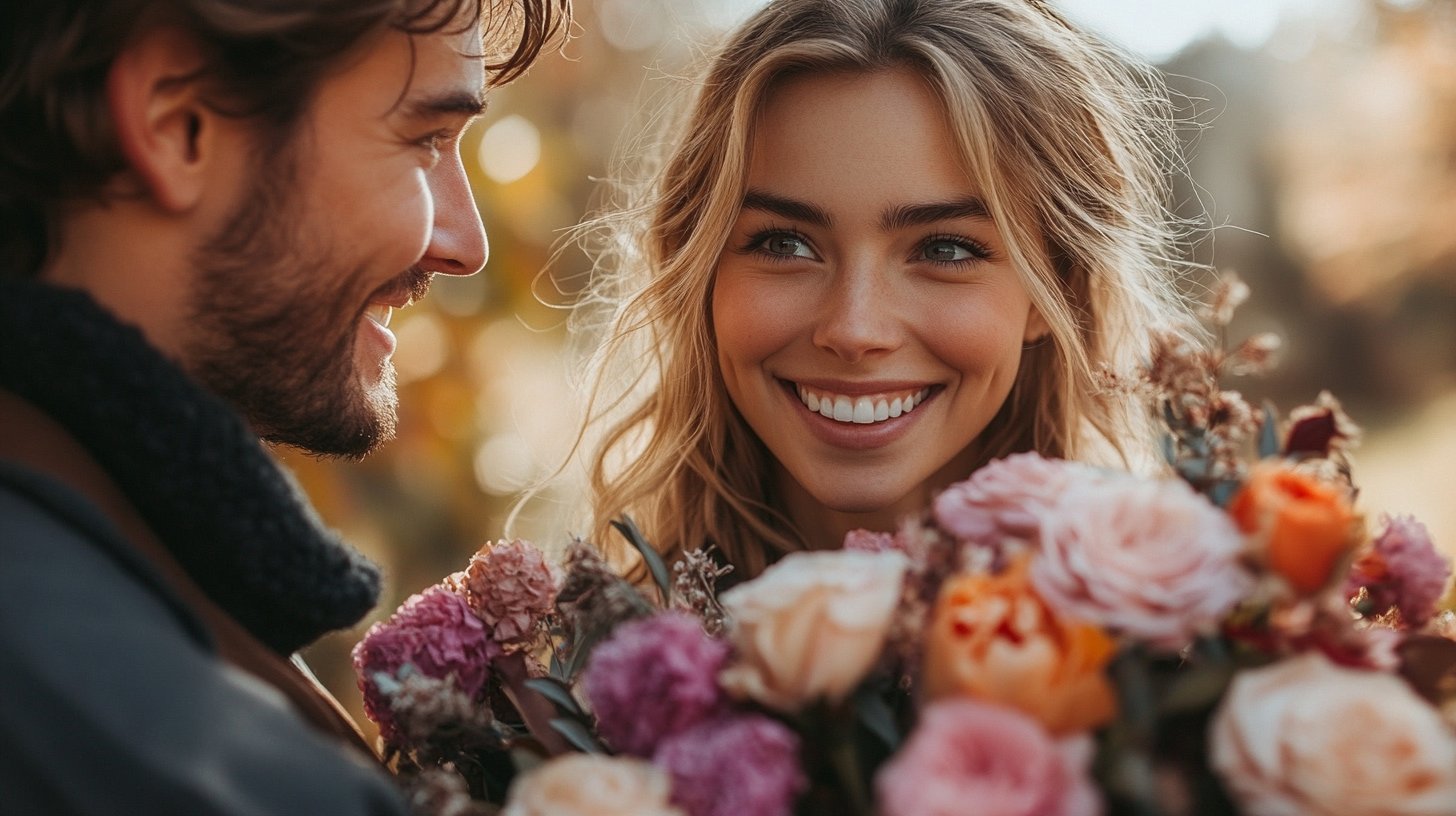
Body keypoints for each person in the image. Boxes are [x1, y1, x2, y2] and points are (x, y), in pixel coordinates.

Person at [0, 0, 568, 813]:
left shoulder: (131, 569)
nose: (468, 242)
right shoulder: (141, 733)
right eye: (424, 138)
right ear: (178, 121)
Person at [568, 0, 1204, 579]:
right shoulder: (566, 686)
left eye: (944, 249)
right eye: (784, 243)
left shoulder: (1195, 661)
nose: (854, 329)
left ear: (1056, 290)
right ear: (698, 270)